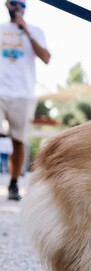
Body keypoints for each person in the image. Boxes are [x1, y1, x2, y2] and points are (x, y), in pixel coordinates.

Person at [1, 0, 50, 200]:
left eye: (22, 4)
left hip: (23, 93)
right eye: (14, 3)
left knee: (18, 141)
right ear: (6, 5)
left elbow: (46, 57)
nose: (18, 7)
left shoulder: (35, 31)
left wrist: (27, 31)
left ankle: (13, 183)